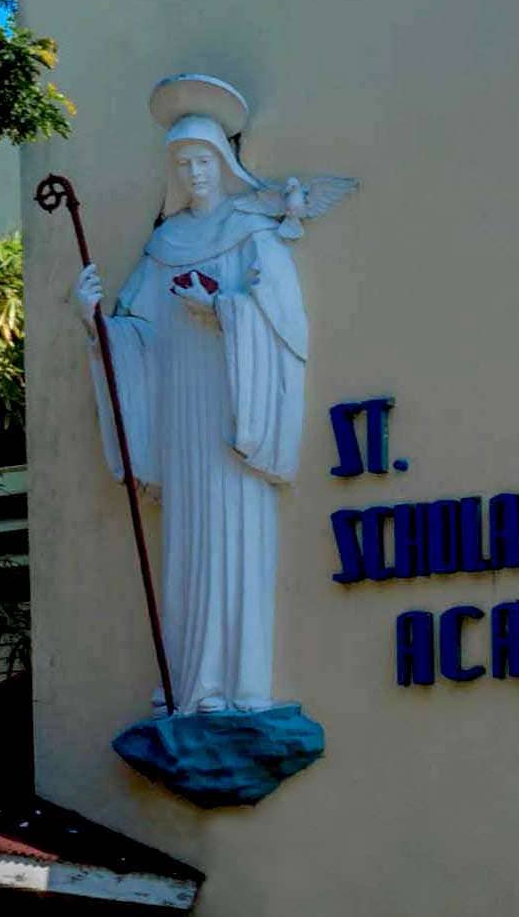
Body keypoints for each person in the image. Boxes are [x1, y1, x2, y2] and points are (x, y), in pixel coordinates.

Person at [78, 76, 340, 715]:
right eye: (183, 165)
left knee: (237, 547)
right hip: (181, 419)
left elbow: (283, 320)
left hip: (233, 416)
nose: (194, 173)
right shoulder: (161, 248)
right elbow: (134, 332)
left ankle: (242, 688)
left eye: (203, 161)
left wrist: (222, 309)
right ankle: (192, 686)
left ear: (224, 165)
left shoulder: (254, 231)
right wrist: (95, 323)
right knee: (188, 555)